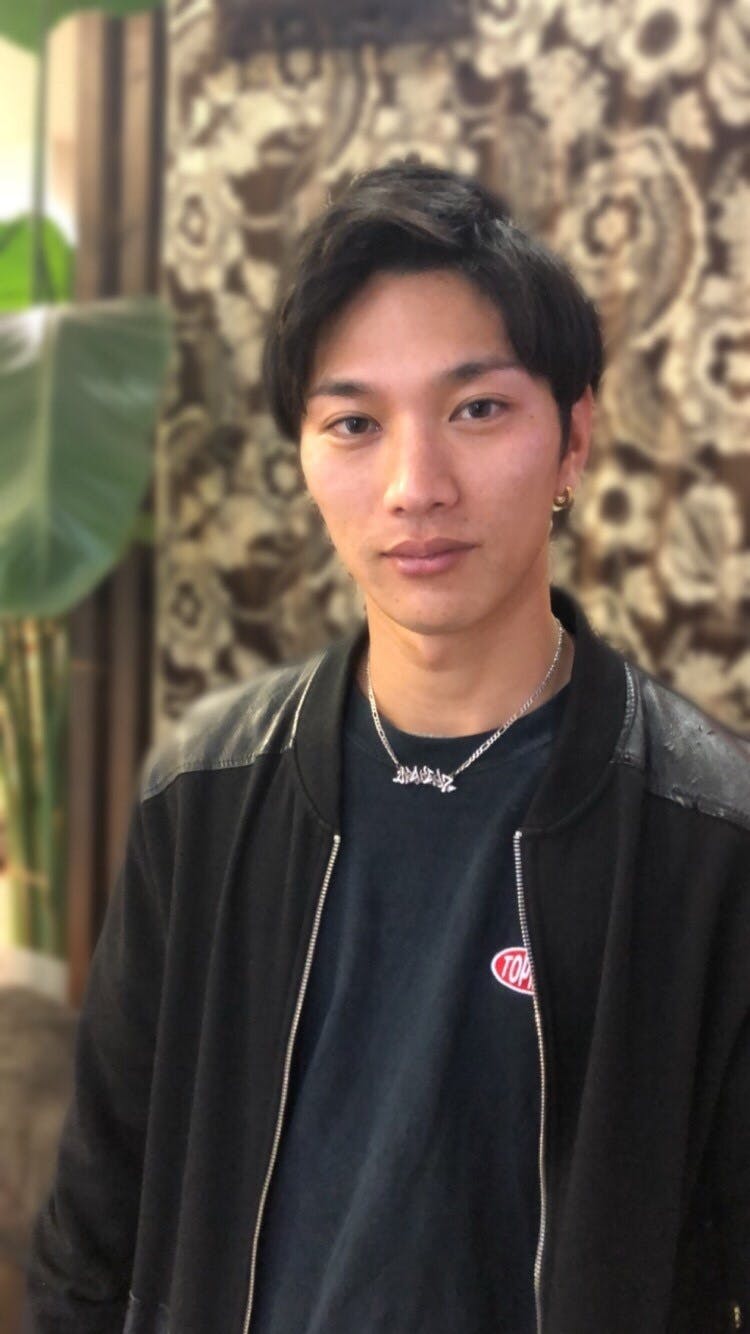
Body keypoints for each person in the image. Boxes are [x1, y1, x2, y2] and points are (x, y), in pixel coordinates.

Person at [29, 162, 749, 1334]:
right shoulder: (204, 795)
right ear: (306, 458)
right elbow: (91, 1242)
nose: (417, 485)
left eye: (477, 409)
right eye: (355, 423)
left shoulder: (709, 839)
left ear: (573, 437)